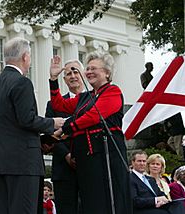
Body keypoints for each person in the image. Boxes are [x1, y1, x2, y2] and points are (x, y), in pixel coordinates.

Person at [0, 37, 64, 214]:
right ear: (24, 57)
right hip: (22, 162)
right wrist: (52, 123)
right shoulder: (22, 81)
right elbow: (26, 119)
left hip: (2, 161)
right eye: (29, 56)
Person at [49, 52, 131, 214]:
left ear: (107, 72)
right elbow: (59, 104)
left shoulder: (112, 91)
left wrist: (65, 129)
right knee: (91, 204)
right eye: (87, 68)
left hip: (106, 158)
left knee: (108, 203)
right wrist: (53, 80)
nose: (88, 72)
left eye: (94, 68)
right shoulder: (85, 97)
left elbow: (93, 116)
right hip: (87, 159)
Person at [44, 59, 84, 214]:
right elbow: (49, 133)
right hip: (63, 168)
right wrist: (67, 155)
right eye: (68, 73)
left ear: (83, 75)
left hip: (88, 166)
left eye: (76, 72)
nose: (73, 76)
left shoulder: (94, 101)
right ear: (64, 79)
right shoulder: (53, 104)